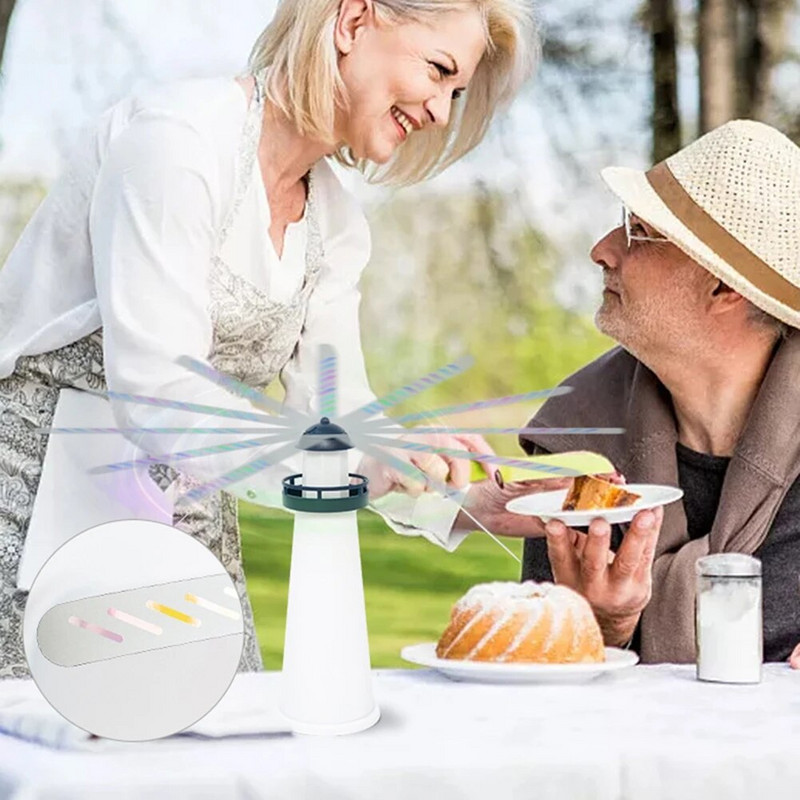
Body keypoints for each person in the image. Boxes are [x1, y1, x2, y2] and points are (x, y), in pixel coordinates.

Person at [0, 0, 551, 678]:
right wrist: (353, 462)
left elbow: (340, 416)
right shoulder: (176, 143)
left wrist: (461, 501)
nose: (441, 111)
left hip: (188, 537)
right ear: (353, 21)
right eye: (439, 71)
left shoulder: (337, 226)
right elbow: (158, 395)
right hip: (33, 528)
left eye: (456, 93)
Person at [517, 119, 800, 669]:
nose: (602, 250)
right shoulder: (580, 435)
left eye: (639, 231)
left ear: (723, 287)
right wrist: (601, 630)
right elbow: (538, 693)